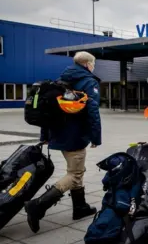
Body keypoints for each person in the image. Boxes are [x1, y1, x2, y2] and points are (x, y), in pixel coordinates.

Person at [25, 51, 102, 233]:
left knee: (76, 170)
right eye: (93, 65)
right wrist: (96, 137)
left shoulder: (59, 81)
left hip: (57, 133)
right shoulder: (88, 82)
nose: (93, 68)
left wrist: (45, 135)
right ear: (87, 65)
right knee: (75, 174)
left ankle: (80, 207)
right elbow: (93, 112)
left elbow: (48, 110)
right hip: (74, 136)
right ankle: (38, 206)